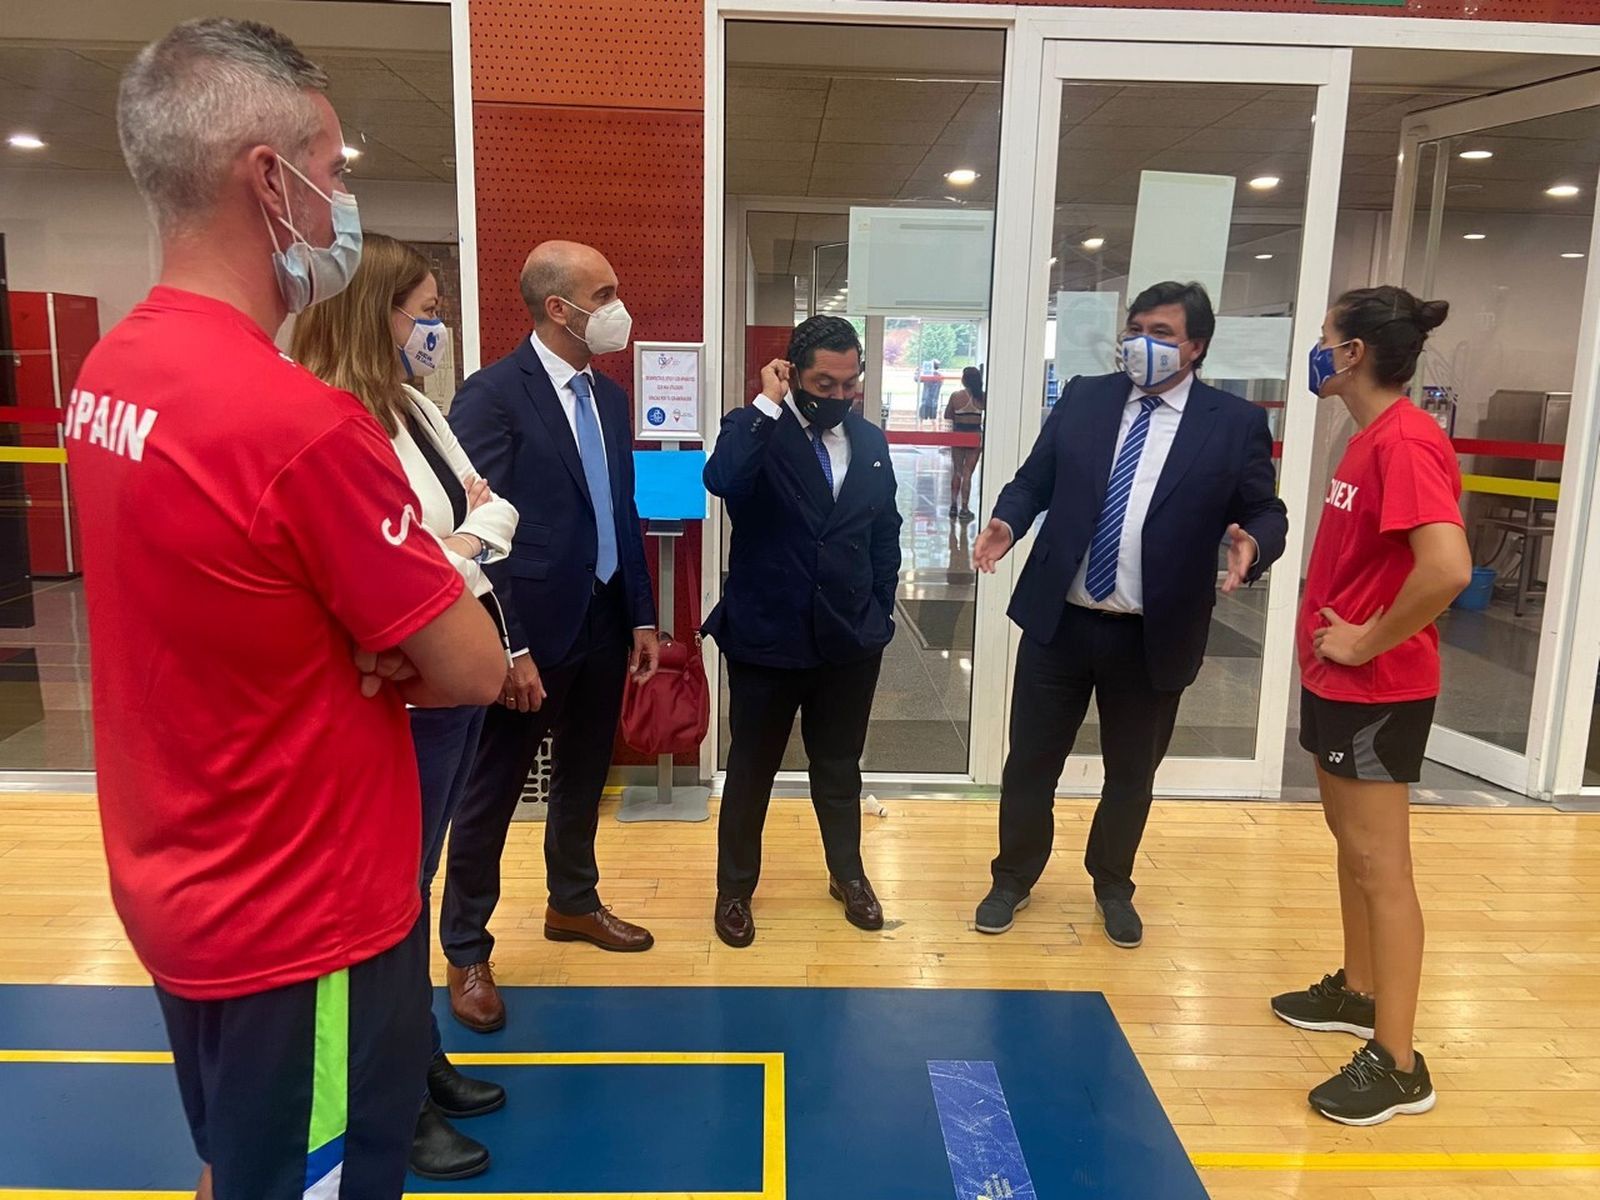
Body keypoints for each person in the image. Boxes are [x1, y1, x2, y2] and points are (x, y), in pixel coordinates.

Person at [70, 20, 505, 1200]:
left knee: (237, 1165)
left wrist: (361, 635)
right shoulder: (298, 422)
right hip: (298, 917)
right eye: (336, 164)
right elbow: (466, 662)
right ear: (271, 178)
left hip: (178, 882)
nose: (342, 194)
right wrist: (382, 639)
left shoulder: (108, 375)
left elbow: (216, 599)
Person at [292, 232, 518, 1180]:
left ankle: (417, 1058)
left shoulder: (416, 404)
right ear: (374, 312)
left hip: (453, 682)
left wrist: (448, 550)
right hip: (394, 706)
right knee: (380, 907)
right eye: (421, 312)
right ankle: (387, 1095)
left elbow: (491, 509)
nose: (432, 329)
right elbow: (381, 565)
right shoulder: (326, 416)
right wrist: (455, 546)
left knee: (410, 892)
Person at [972, 281, 1288, 949]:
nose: (1143, 342)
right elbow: (1036, 477)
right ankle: (1013, 877)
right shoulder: (1087, 396)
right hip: (1062, 622)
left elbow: (1267, 509)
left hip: (1153, 633)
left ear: (1196, 346)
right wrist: (1008, 519)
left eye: (1163, 332)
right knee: (1030, 762)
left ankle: (1113, 883)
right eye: (1137, 327)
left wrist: (1252, 544)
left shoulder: (1232, 424)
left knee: (1130, 775)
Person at [443, 240, 660, 1033]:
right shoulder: (493, 395)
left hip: (603, 618)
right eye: (605, 293)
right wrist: (510, 646)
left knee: (584, 776)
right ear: (560, 310)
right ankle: (465, 947)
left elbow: (620, 510)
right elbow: (480, 532)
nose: (619, 307)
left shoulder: (609, 398)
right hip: (528, 634)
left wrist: (640, 612)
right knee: (492, 792)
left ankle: (572, 903)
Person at [1271, 287, 1469, 1126]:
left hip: (1378, 690)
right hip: (1336, 684)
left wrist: (1365, 641)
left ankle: (1398, 1064)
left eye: (1325, 339)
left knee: (1384, 869)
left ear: (1352, 354)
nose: (1317, 352)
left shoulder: (1409, 442)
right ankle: (1359, 991)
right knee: (1351, 849)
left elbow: (1448, 568)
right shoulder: (1366, 439)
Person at [702, 316, 903, 948]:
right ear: (791, 371)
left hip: (849, 640)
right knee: (752, 767)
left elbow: (883, 531)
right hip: (767, 636)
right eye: (824, 382)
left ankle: (848, 875)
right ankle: (734, 890)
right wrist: (765, 402)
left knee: (840, 769)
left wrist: (879, 608)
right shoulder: (754, 427)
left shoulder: (870, 440)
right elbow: (723, 481)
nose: (838, 396)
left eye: (850, 384)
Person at [945, 365, 986, 522]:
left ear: (964, 380)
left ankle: (953, 505)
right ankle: (964, 508)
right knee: (968, 473)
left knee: (957, 471)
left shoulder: (956, 396)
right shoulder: (981, 397)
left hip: (958, 435)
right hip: (975, 436)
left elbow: (947, 414)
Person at [918, 357, 943, 421]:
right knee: (933, 420)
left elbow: (916, 379)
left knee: (921, 420)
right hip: (934, 401)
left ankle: (920, 430)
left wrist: (919, 371)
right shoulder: (940, 376)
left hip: (925, 401)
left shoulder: (928, 374)